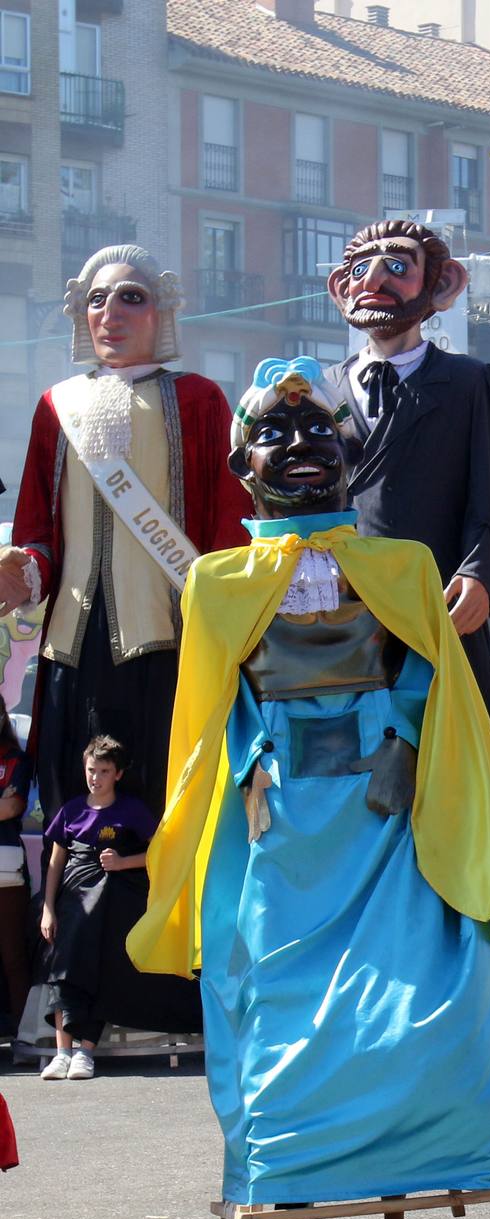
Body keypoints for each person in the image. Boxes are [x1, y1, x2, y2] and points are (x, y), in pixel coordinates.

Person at [129, 358, 490, 1219]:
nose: (303, 448)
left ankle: (396, 1211)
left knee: (399, 1012)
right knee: (281, 1012)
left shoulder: (400, 565)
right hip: (284, 829)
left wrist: (398, 733)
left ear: (351, 456)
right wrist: (250, 763)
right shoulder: (218, 583)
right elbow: (207, 707)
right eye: (276, 434)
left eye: (322, 434)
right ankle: (288, 1195)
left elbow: (429, 658)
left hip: (387, 821)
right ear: (242, 467)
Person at [0, 246, 249, 824]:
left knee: (162, 798)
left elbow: (228, 521)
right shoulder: (55, 406)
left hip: (169, 637)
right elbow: (39, 527)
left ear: (160, 312)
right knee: (72, 802)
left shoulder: (199, 399)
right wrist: (24, 568)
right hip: (72, 643)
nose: (111, 312)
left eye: (130, 298)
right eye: (96, 300)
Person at [324, 220, 490, 715]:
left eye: (396, 266)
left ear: (442, 284)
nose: (373, 280)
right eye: (358, 269)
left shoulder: (469, 382)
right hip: (347, 613)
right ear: (340, 289)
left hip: (436, 604)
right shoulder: (320, 391)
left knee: (450, 748)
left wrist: (478, 573)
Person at [37, 735, 154, 1081]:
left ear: (117, 774)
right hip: (71, 902)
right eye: (91, 770)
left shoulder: (132, 810)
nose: (96, 777)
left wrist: (124, 861)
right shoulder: (71, 810)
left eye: (104, 771)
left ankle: (85, 1051)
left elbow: (161, 852)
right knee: (62, 969)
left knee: (98, 971)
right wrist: (47, 908)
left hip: (111, 907)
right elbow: (55, 864)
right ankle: (61, 1052)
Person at [0, 715, 32, 1048]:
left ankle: (23, 1037)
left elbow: (12, 806)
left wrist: (6, 803)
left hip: (6, 866)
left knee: (13, 956)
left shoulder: (14, 757)